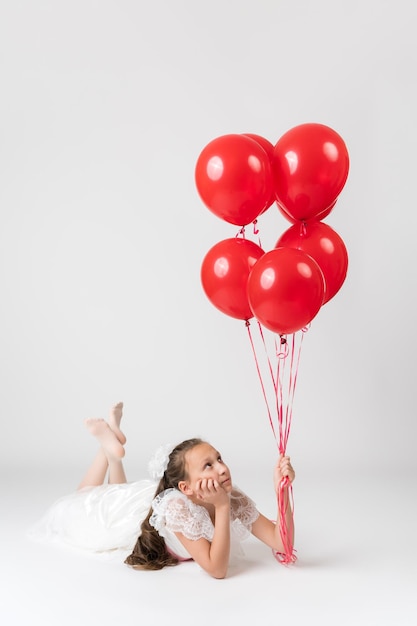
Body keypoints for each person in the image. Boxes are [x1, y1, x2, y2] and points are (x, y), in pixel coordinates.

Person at [30, 402, 295, 579]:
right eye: (208, 465)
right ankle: (106, 449)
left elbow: (282, 542)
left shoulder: (232, 496)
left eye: (219, 459)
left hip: (146, 501)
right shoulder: (179, 507)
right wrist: (222, 507)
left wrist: (281, 493)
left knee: (113, 490)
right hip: (131, 516)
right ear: (186, 487)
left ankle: (111, 451)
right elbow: (217, 569)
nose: (222, 469)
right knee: (85, 499)